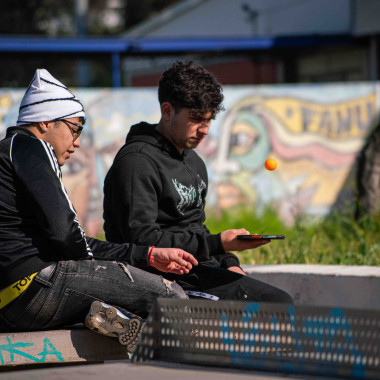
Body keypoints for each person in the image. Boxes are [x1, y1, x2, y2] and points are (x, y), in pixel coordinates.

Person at [0, 69, 198, 352]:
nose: (77, 141)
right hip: (36, 289)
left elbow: (64, 241)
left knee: (102, 298)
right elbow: (66, 235)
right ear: (44, 122)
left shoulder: (5, 155)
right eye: (75, 128)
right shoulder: (31, 146)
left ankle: (108, 316)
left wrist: (148, 255)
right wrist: (100, 270)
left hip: (9, 307)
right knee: (170, 294)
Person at [103, 61, 293, 304]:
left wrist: (229, 263)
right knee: (277, 304)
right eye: (196, 119)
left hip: (198, 271)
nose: (204, 130)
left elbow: (195, 227)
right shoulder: (137, 161)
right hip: (158, 279)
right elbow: (140, 240)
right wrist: (217, 242)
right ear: (167, 110)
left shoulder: (194, 162)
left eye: (209, 119)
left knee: (273, 302)